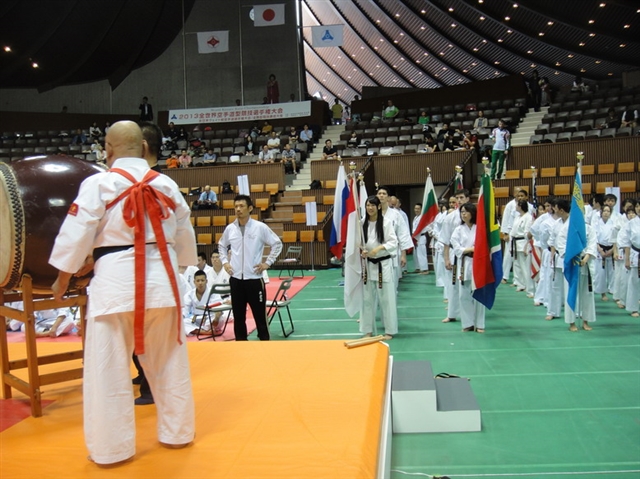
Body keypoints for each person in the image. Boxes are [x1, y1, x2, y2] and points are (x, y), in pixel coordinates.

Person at [49, 120, 196, 466]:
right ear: (144, 148)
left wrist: (61, 279)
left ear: (108, 149)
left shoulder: (99, 183)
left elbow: (76, 231)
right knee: (170, 362)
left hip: (115, 285)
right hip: (163, 283)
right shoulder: (167, 184)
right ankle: (178, 433)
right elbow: (185, 240)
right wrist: (177, 270)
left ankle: (112, 449)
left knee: (108, 369)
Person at [218, 195, 282, 341]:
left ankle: (264, 342)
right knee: (238, 316)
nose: (238, 209)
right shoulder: (230, 229)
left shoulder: (260, 227)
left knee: (260, 316)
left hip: (254, 279)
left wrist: (267, 263)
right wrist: (225, 262)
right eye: (236, 206)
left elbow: (277, 244)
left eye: (241, 206)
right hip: (236, 280)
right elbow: (221, 245)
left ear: (250, 208)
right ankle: (241, 343)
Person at [359, 196, 398, 339]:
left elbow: (393, 242)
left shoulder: (386, 223)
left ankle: (389, 330)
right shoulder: (362, 223)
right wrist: (362, 250)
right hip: (368, 265)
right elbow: (358, 241)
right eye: (368, 205)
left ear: (379, 207)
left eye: (372, 205)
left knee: (386, 299)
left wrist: (379, 248)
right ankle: (367, 330)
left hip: (383, 264)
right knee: (367, 299)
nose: (370, 208)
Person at [555, 202, 597, 332]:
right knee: (571, 292)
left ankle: (585, 320)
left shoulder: (589, 228)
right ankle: (571, 322)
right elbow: (561, 245)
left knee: (587, 294)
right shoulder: (566, 229)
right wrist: (573, 257)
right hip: (572, 264)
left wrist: (586, 257)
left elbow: (592, 244)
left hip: (586, 263)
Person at [451, 203, 485, 332]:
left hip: (478, 263)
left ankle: (480, 324)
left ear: (472, 213)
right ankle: (468, 324)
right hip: (464, 263)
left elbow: (484, 245)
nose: (463, 214)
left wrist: (475, 250)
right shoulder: (458, 230)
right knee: (463, 295)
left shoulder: (479, 229)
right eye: (462, 212)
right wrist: (470, 249)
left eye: (466, 211)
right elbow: (456, 247)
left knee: (479, 294)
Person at [440, 189, 470, 324]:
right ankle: (451, 314)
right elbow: (446, 240)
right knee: (453, 285)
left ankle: (470, 313)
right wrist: (446, 258)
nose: (459, 200)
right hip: (454, 253)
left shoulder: (474, 215)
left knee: (469, 284)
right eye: (457, 198)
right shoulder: (450, 217)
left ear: (467, 199)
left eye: (462, 197)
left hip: (470, 254)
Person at [510, 200, 534, 296]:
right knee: (517, 265)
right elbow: (513, 230)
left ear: (521, 206)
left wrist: (526, 245)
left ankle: (530, 289)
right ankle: (520, 284)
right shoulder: (517, 217)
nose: (515, 206)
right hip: (515, 242)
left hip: (523, 242)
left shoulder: (528, 217)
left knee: (525, 267)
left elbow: (527, 232)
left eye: (517, 205)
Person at [619, 208, 639, 317]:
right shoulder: (631, 223)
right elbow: (626, 242)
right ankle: (633, 308)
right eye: (638, 206)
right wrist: (627, 259)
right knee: (634, 282)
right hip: (635, 253)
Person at [593, 205, 615, 302]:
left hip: (611, 249)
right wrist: (600, 250)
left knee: (612, 273)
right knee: (601, 273)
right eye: (604, 211)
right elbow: (594, 238)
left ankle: (614, 292)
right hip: (600, 250)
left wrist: (612, 250)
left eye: (608, 211)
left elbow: (616, 239)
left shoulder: (613, 224)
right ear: (601, 212)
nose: (606, 213)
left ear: (610, 213)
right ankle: (603, 293)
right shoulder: (596, 224)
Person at [412, 203, 429, 274]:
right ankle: (418, 268)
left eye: (418, 209)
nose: (416, 210)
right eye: (415, 208)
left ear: (421, 209)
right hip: (416, 237)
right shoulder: (416, 217)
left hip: (421, 237)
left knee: (422, 253)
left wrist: (416, 236)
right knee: (416, 254)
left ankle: (425, 269)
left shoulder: (423, 218)